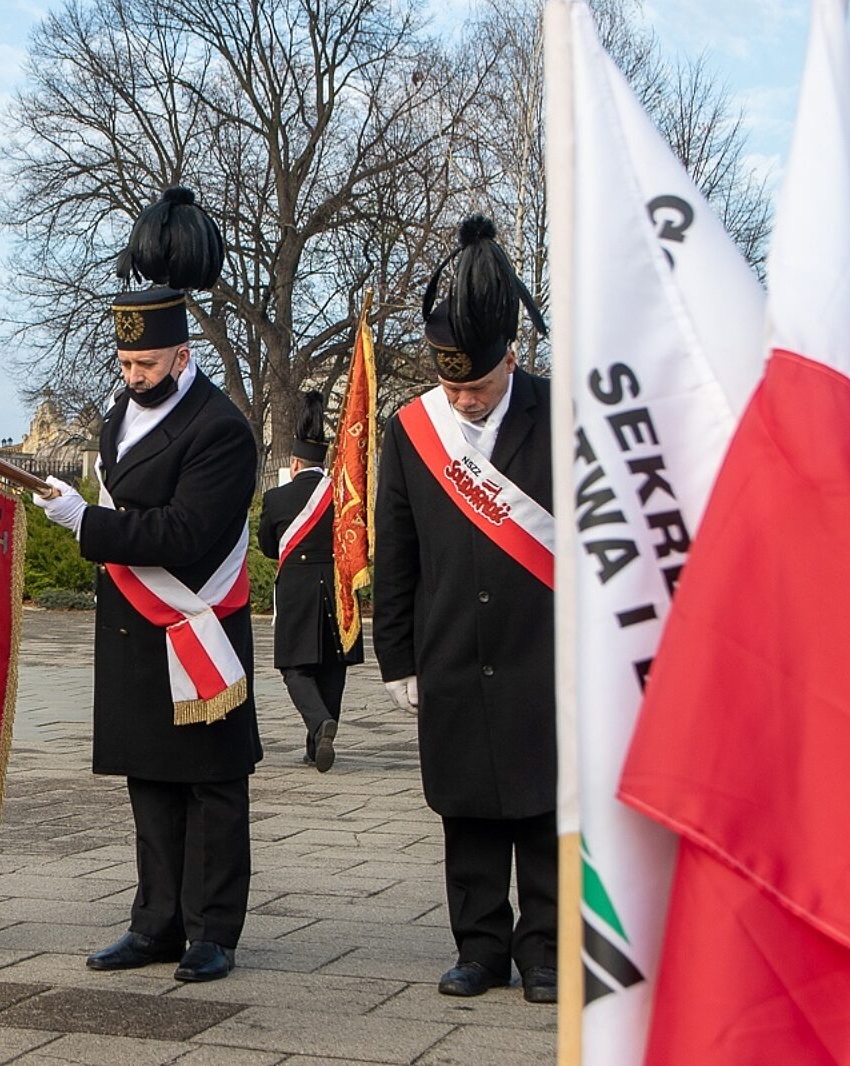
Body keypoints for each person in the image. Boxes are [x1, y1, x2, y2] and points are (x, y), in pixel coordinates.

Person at [36, 188, 259, 983]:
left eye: (147, 366)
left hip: (195, 623)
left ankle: (212, 930)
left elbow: (184, 532)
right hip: (135, 625)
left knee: (210, 785)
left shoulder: (220, 428)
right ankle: (155, 921)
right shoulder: (119, 414)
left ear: (182, 357)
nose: (133, 377)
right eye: (126, 365)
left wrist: (85, 524)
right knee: (151, 782)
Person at [372, 214, 557, 1003]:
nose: (463, 400)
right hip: (450, 646)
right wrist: (397, 656)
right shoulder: (413, 431)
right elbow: (397, 551)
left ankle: (547, 949)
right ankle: (478, 946)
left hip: (543, 650)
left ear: (510, 358)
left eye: (475, 386)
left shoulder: (561, 415)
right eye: (451, 386)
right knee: (467, 808)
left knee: (546, 807)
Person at [256, 391, 363, 771]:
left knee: (294, 667)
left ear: (295, 463)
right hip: (338, 587)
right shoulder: (343, 496)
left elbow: (268, 546)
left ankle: (319, 724)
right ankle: (318, 744)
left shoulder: (277, 498)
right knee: (333, 665)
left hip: (297, 588)